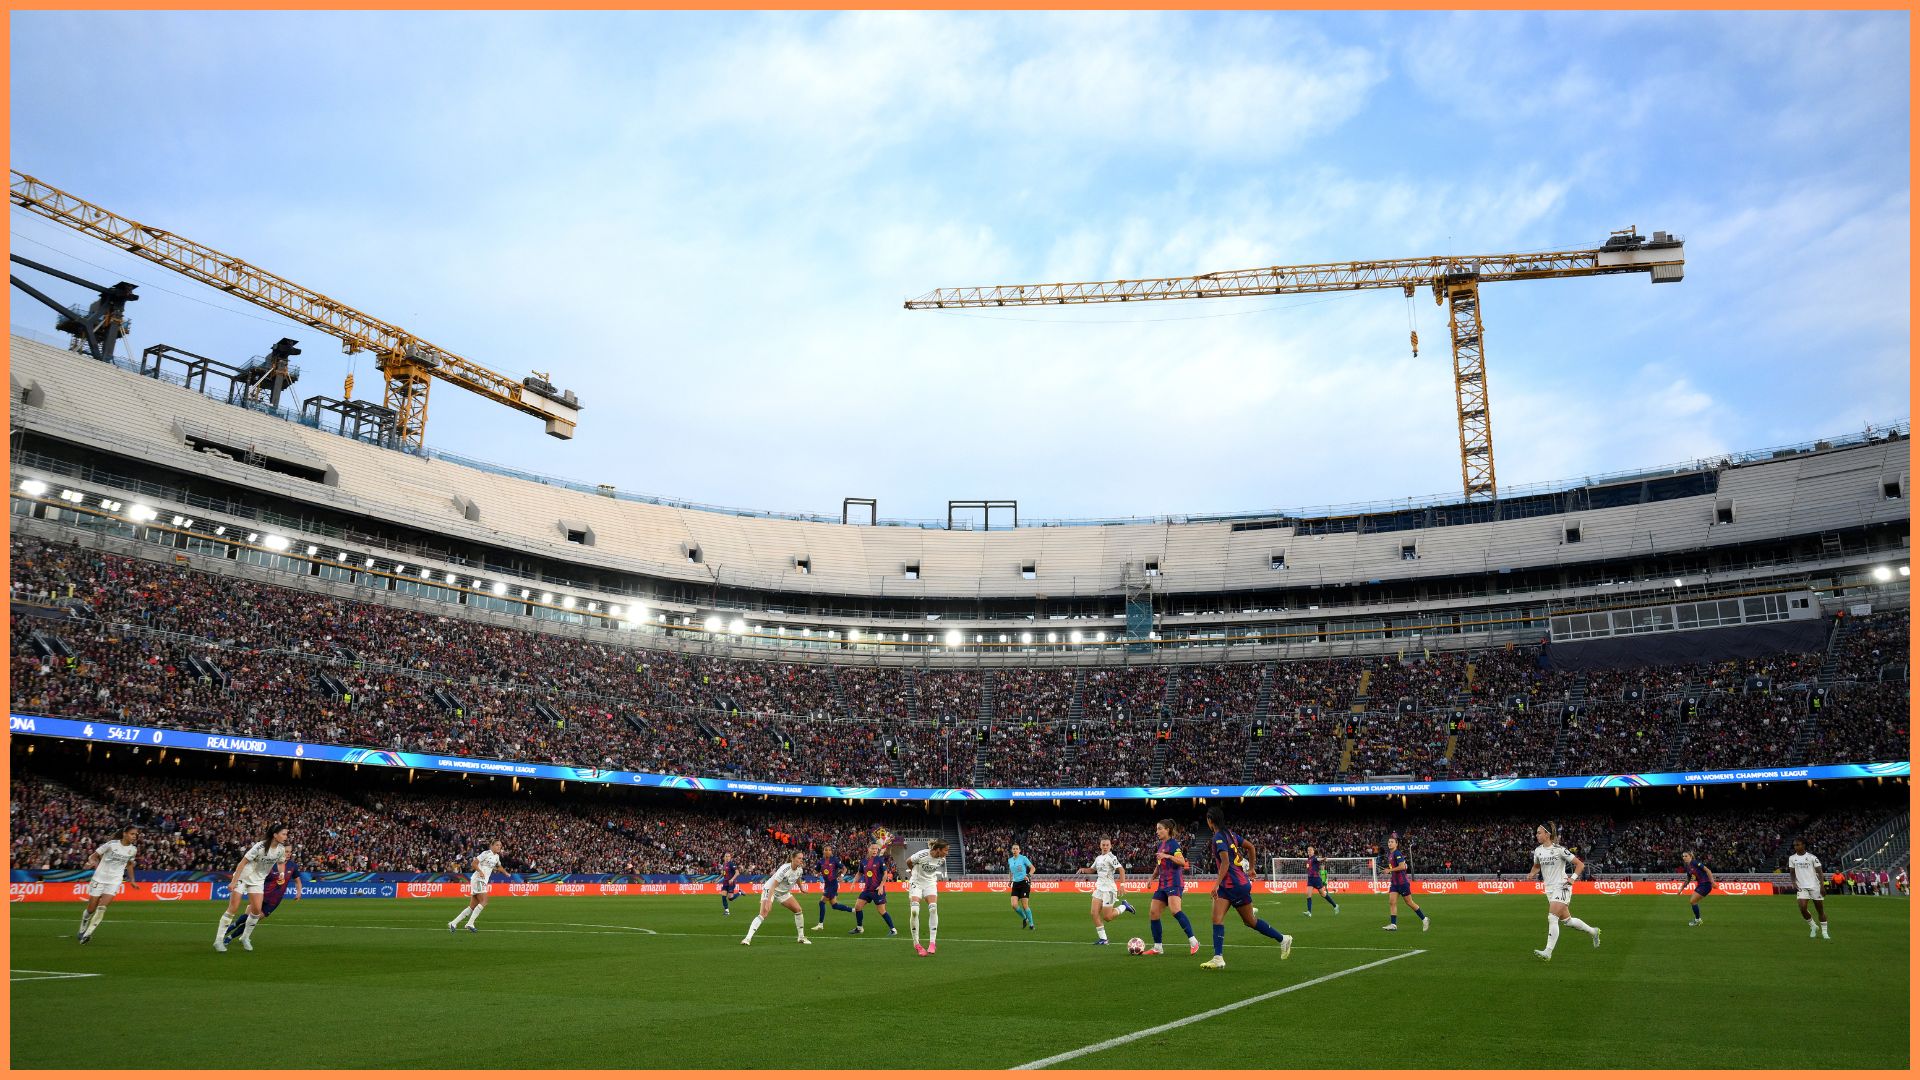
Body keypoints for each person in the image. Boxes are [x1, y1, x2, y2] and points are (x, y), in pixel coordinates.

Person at [1199, 805, 1292, 970]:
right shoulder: (1231, 835)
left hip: (1231, 884)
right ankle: (1218, 957)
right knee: (1230, 920)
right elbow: (1251, 847)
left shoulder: (1219, 837)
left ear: (1210, 821)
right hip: (1237, 884)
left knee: (1240, 920)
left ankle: (1283, 939)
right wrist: (1251, 868)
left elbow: (1226, 862)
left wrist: (1215, 884)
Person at [1526, 823, 1600, 960]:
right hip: (1549, 890)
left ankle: (1548, 952)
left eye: (1539, 832)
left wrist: (1572, 878)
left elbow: (1580, 864)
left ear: (1547, 834)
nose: (1536, 835)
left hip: (1562, 886)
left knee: (1552, 917)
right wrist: (1532, 874)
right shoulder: (1538, 851)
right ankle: (1593, 931)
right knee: (1568, 921)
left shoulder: (1559, 850)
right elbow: (1536, 866)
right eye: (1537, 833)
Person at [215, 822, 289, 953]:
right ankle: (219, 940)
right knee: (234, 908)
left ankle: (245, 937)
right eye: (283, 834)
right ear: (275, 835)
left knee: (256, 911)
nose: (286, 836)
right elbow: (242, 863)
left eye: (286, 834)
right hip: (243, 877)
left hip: (258, 880)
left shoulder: (281, 849)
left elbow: (281, 863)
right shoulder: (259, 846)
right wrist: (233, 881)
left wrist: (281, 874)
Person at [77, 826, 139, 945]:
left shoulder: (133, 850)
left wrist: (132, 880)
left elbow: (129, 864)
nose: (134, 836)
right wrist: (91, 862)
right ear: (125, 834)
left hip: (114, 881)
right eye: (132, 834)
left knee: (102, 908)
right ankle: (84, 924)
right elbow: (93, 856)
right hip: (99, 878)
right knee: (91, 909)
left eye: (136, 834)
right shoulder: (111, 844)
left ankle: (88, 934)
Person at [1146, 819, 1200, 956]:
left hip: (1174, 882)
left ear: (1168, 830)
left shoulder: (1173, 845)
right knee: (1153, 913)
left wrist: (1168, 856)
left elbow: (1182, 862)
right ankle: (1158, 947)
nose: (1157, 831)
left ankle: (1194, 942)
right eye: (1157, 829)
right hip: (1162, 883)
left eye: (1159, 829)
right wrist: (1151, 878)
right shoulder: (1160, 845)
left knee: (1175, 910)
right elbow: (1159, 866)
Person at [225, 850, 302, 945]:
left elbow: (297, 881)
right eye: (286, 852)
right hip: (261, 894)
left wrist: (299, 892)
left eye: (290, 852)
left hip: (274, 900)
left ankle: (230, 937)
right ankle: (232, 926)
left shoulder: (292, 866)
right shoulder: (269, 864)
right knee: (247, 916)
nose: (288, 854)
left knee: (252, 920)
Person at [742, 852, 811, 946]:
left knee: (798, 910)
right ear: (793, 859)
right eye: (799, 858)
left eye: (802, 858)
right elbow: (773, 886)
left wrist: (801, 888)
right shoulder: (784, 869)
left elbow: (798, 878)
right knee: (764, 913)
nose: (801, 860)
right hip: (771, 889)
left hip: (783, 892)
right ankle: (747, 938)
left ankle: (801, 937)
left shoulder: (799, 869)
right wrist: (769, 900)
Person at [1076, 837, 1135, 945]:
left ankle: (1124, 906)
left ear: (1110, 846)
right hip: (1099, 888)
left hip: (1109, 890)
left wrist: (1122, 885)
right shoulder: (1098, 858)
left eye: (1107, 845)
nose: (1105, 847)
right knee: (1094, 913)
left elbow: (1121, 869)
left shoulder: (1111, 857)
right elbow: (1092, 870)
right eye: (1103, 845)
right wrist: (1084, 869)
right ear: (1100, 845)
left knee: (1107, 917)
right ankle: (1103, 939)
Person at [448, 839, 506, 933]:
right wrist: (480, 871)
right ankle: (470, 923)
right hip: (478, 879)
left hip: (482, 881)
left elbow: (499, 866)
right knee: (485, 900)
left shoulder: (497, 857)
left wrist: (506, 873)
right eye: (497, 845)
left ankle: (453, 923)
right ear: (492, 845)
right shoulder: (486, 853)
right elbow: (473, 863)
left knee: (472, 906)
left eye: (500, 845)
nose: (499, 847)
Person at [906, 839, 948, 956]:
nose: (947, 853)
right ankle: (917, 944)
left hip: (930, 883)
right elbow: (908, 861)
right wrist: (913, 873)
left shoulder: (941, 859)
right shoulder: (922, 854)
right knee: (914, 911)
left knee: (933, 908)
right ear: (938, 849)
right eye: (945, 850)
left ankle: (932, 943)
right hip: (917, 883)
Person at [1381, 836, 1430, 932]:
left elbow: (1402, 866)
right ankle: (1393, 924)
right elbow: (1401, 866)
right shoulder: (1390, 854)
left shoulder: (1397, 853)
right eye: (1389, 842)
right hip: (1394, 883)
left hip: (1402, 883)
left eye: (1392, 842)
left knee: (1409, 902)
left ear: (1396, 844)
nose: (1389, 843)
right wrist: (1390, 871)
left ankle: (1424, 919)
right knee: (1392, 902)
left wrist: (1390, 870)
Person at [848, 842, 897, 936]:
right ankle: (859, 928)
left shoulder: (879, 860)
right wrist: (853, 883)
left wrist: (881, 886)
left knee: (881, 911)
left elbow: (885, 874)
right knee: (858, 907)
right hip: (867, 890)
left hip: (877, 890)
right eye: (873, 848)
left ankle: (893, 929)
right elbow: (859, 873)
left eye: (876, 849)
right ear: (868, 849)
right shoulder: (863, 861)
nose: (875, 850)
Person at [1787, 840, 1829, 940]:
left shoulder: (1812, 857)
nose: (1796, 847)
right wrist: (1793, 882)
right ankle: (1813, 926)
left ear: (1803, 845)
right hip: (1801, 887)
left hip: (1815, 886)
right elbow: (1792, 872)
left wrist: (1822, 886)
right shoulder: (1792, 858)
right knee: (1802, 908)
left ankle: (1824, 932)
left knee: (1820, 911)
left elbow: (1820, 872)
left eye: (1798, 845)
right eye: (1794, 845)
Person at [810, 844, 854, 931]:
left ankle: (820, 924)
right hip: (827, 884)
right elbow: (815, 871)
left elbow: (844, 869)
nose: (827, 851)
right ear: (823, 851)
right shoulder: (821, 861)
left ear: (831, 851)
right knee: (835, 905)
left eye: (829, 850)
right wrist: (816, 874)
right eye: (826, 850)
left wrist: (841, 876)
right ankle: (853, 910)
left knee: (821, 903)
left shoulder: (835, 860)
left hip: (833, 884)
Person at [1303, 844, 1339, 917]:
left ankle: (1335, 906)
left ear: (1313, 851)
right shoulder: (1308, 860)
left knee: (1323, 894)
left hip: (1316, 879)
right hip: (1310, 879)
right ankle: (1309, 912)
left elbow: (1318, 859)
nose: (1309, 851)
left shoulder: (1314, 858)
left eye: (1311, 850)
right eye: (1308, 850)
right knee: (1308, 895)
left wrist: (1323, 858)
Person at [1681, 850, 1715, 926]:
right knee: (1693, 901)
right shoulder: (1688, 867)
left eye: (1686, 856)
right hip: (1700, 885)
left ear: (1690, 856)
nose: (1684, 857)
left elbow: (1708, 870)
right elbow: (1688, 879)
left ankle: (1698, 920)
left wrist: (1712, 882)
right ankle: (1698, 919)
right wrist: (1681, 889)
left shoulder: (1695, 863)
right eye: (1683, 856)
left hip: (1705, 884)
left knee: (1693, 901)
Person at [1007, 843, 1037, 930]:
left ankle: (1031, 924)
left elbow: (1033, 868)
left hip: (1024, 883)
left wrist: (1028, 875)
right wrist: (1010, 880)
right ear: (1012, 850)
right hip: (1016, 884)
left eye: (1016, 849)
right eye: (1013, 849)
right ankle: (1025, 918)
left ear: (1019, 850)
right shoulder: (1010, 860)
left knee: (1025, 905)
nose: (1015, 850)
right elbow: (1011, 871)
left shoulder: (1023, 858)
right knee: (1014, 905)